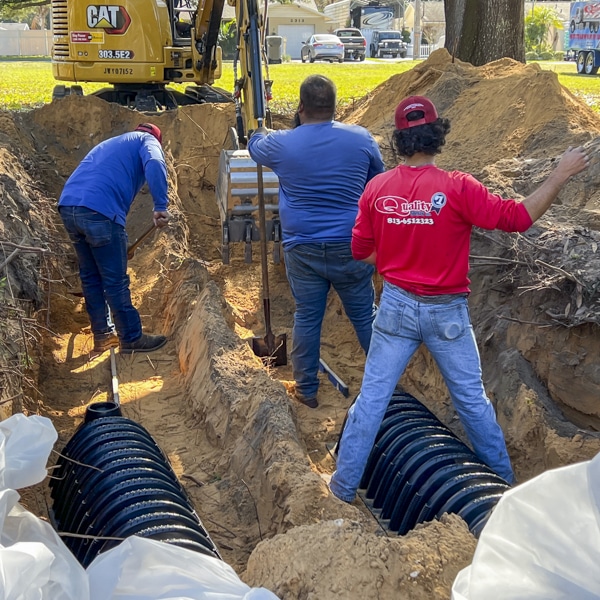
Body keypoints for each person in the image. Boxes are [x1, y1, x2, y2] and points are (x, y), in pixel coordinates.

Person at [329, 95, 590, 501]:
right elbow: (518, 218)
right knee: (472, 404)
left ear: (399, 140)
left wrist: (396, 262)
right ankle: (504, 492)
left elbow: (361, 250)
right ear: (436, 135)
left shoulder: (377, 189)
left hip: (396, 308)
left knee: (372, 401)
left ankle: (341, 489)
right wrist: (558, 175)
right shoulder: (457, 188)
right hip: (445, 313)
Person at [248, 74, 385, 408]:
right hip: (352, 247)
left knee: (307, 317)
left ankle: (307, 389)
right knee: (366, 317)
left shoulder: (283, 143)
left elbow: (254, 147)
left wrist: (258, 129)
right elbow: (377, 183)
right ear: (335, 107)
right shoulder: (361, 139)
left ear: (300, 108)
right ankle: (387, 386)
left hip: (302, 249)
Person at [58, 123, 170, 354]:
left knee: (90, 276)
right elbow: (156, 162)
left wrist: (119, 246)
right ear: (156, 139)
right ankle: (131, 338)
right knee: (115, 282)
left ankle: (103, 336)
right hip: (98, 211)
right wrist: (160, 205)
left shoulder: (113, 144)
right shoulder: (146, 141)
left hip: (69, 206)